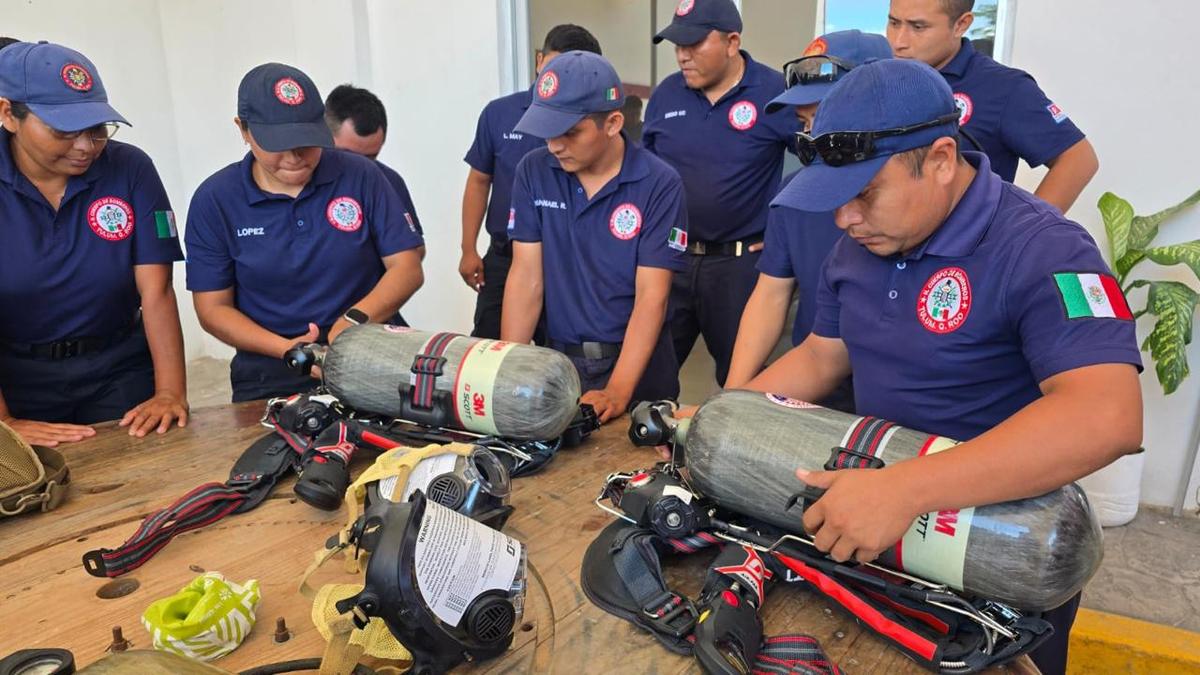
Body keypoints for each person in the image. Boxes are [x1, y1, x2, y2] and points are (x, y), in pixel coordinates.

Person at [744, 59, 1141, 675]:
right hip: (883, 532)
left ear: (940, 159)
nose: (844, 220)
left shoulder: (1045, 248)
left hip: (997, 553)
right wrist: (727, 414)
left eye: (862, 195)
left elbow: (1107, 416)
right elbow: (824, 354)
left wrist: (908, 489)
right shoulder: (862, 246)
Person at [185, 63, 424, 402]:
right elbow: (213, 309)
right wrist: (290, 349)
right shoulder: (215, 200)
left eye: (307, 142)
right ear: (244, 129)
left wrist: (350, 323)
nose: (296, 157)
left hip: (371, 355)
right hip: (271, 372)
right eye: (279, 144)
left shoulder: (361, 175)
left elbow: (407, 267)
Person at [0, 41, 188, 446]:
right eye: (64, 131)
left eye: (97, 129)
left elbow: (155, 290)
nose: (85, 146)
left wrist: (170, 392)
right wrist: (4, 423)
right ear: (8, 114)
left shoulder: (129, 169)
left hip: (118, 368)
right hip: (16, 379)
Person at [501, 51, 688, 423]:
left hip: (637, 366)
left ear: (613, 122)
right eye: (548, 131)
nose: (555, 145)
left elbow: (653, 295)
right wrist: (508, 367)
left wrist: (618, 391)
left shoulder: (658, 183)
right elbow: (526, 277)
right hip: (560, 361)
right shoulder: (533, 171)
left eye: (570, 132)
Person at [725, 30, 892, 414]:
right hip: (814, 388)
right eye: (806, 120)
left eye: (826, 116)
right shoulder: (792, 197)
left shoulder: (918, 200)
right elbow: (771, 294)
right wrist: (729, 401)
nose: (816, 135)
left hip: (897, 405)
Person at [643, 0, 799, 388]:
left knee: (741, 381)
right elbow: (643, 174)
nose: (682, 55)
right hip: (671, 260)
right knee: (649, 372)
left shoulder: (773, 92)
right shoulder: (666, 95)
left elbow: (820, 166)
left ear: (732, 42)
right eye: (677, 45)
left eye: (693, 44)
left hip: (738, 268)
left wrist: (785, 234)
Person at [887, 0, 1098, 213]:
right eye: (894, 23)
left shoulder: (1003, 88)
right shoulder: (880, 78)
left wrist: (1022, 235)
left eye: (918, 27)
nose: (898, 41)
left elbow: (1078, 159)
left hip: (958, 244)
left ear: (961, 24)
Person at [460, 24, 602, 340]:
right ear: (539, 61)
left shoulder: (592, 129)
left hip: (565, 261)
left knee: (565, 355)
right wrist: (468, 247)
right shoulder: (499, 114)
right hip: (506, 256)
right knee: (490, 350)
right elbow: (479, 181)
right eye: (554, 67)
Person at [324, 84, 425, 243]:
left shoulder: (389, 181)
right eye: (348, 155)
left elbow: (416, 249)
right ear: (322, 134)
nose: (361, 166)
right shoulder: (296, 182)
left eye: (370, 158)